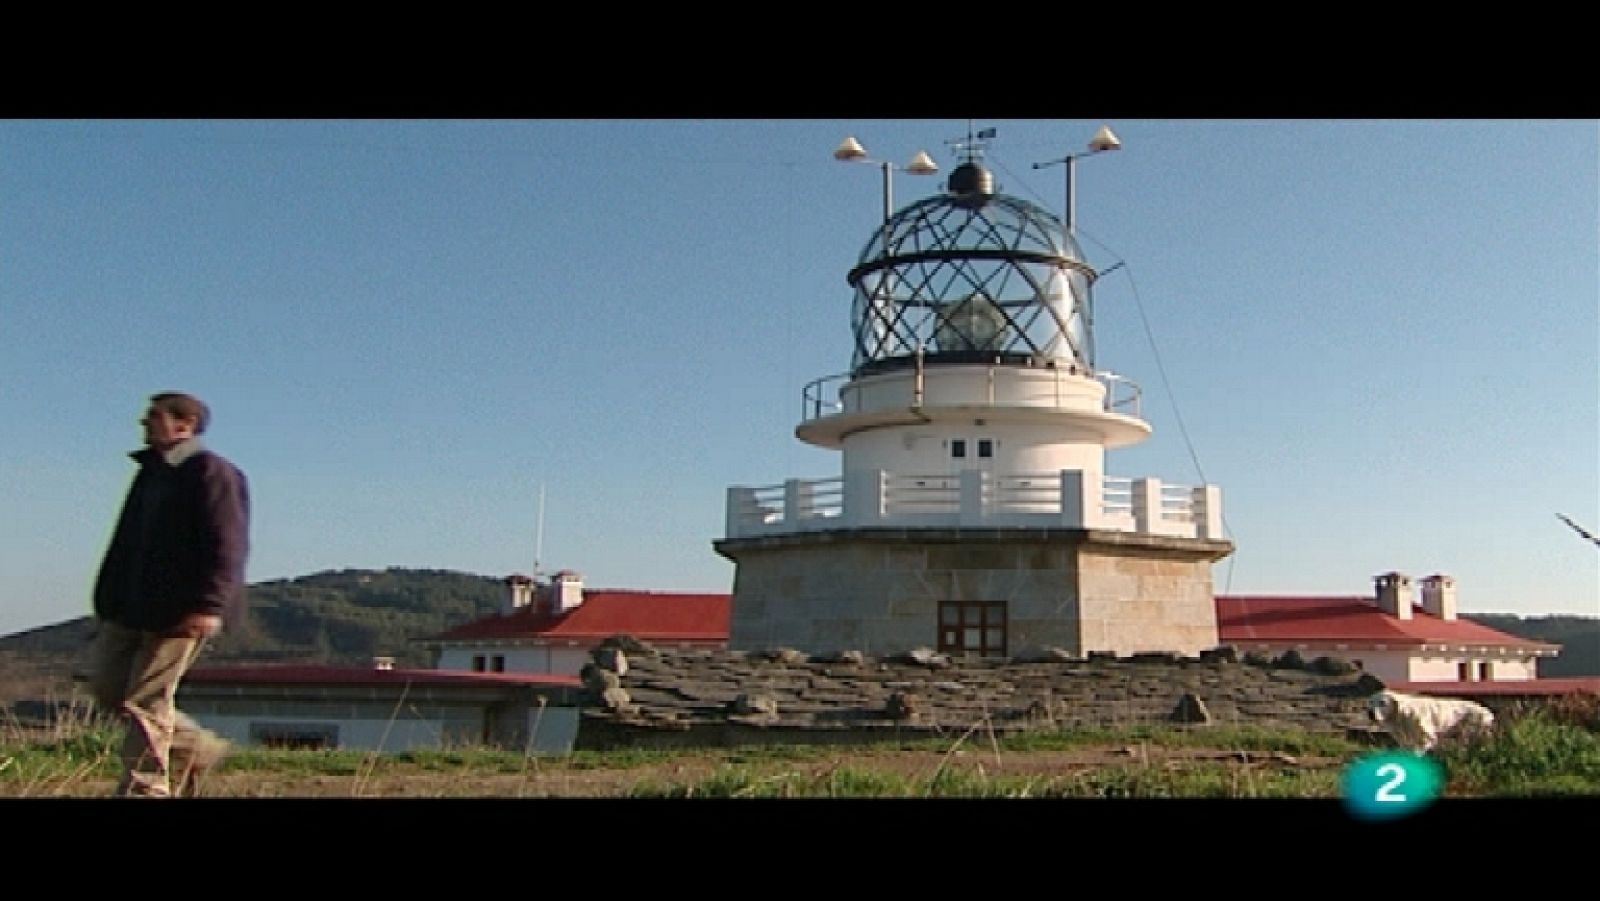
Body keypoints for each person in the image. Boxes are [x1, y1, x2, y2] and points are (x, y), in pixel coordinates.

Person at [88, 391, 250, 797]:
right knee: (108, 689)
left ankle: (146, 788)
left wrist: (209, 605)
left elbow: (227, 543)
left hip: (180, 611)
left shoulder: (211, 472)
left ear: (185, 424)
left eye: (153, 417)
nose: (144, 423)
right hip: (130, 608)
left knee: (147, 700)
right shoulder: (151, 473)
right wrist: (108, 598)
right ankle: (198, 749)